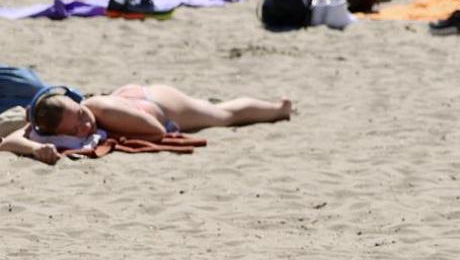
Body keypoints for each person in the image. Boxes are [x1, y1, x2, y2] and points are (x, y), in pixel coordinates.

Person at [26, 82, 291, 150]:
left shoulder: (102, 111)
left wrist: (114, 135)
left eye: (81, 115)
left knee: (225, 115)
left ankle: (279, 109)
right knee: (214, 108)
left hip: (162, 105)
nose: (85, 125)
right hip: (139, 98)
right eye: (75, 130)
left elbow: (156, 131)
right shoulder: (83, 112)